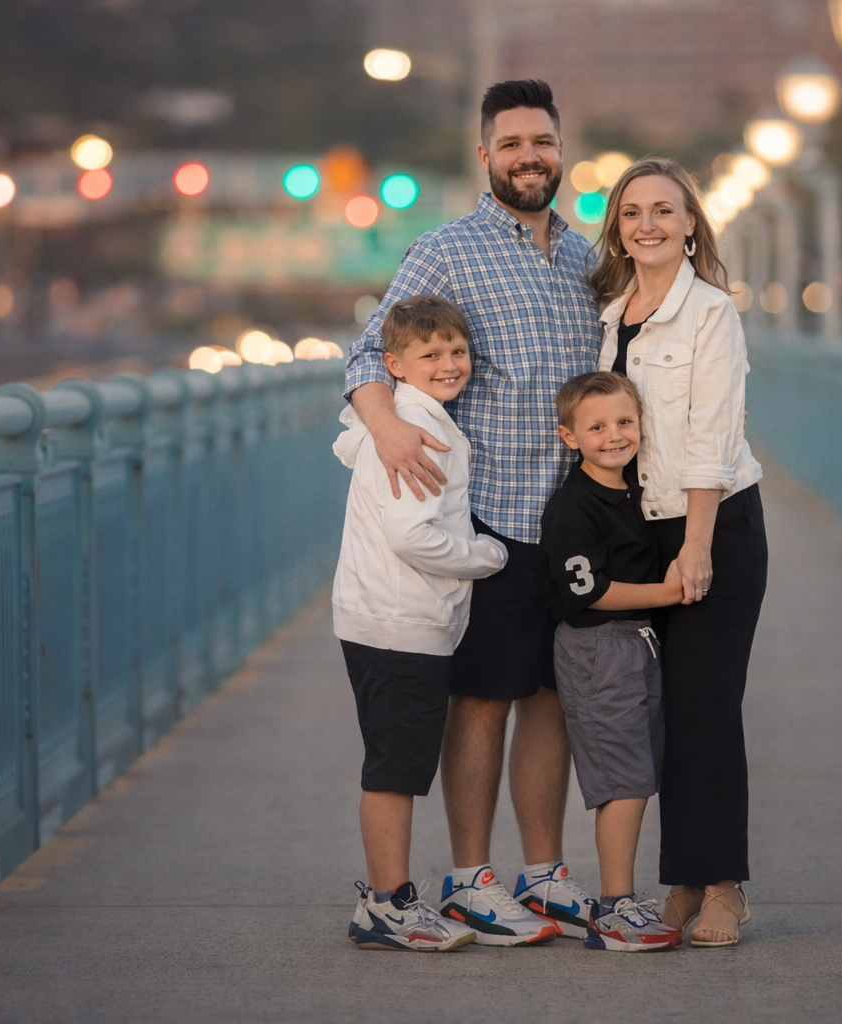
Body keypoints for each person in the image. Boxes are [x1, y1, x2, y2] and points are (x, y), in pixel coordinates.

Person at [343, 79, 599, 945]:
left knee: (553, 698)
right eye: (513, 143)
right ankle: (468, 878)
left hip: (572, 519)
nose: (531, 156)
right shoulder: (445, 250)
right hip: (486, 515)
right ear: (485, 155)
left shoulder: (585, 258)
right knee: (484, 699)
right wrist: (386, 430)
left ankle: (543, 872)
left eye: (544, 141)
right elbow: (366, 353)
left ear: (560, 152)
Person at [591, 159, 767, 948]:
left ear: (693, 223)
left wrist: (696, 547)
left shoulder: (711, 313)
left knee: (707, 705)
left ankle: (724, 884)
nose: (648, 224)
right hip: (638, 529)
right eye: (632, 213)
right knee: (663, 712)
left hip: (713, 523)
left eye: (665, 210)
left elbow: (712, 437)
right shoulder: (608, 311)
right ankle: (685, 878)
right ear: (618, 228)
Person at [334, 296, 509, 952]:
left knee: (396, 759)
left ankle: (391, 898)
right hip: (397, 620)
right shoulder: (417, 429)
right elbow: (413, 535)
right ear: (393, 364)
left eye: (457, 351)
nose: (448, 364)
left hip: (385, 615)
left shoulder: (405, 418)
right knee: (395, 765)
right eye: (429, 354)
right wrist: (484, 558)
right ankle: (386, 904)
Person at [538, 371, 686, 952]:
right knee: (623, 777)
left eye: (625, 421)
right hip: (599, 647)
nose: (614, 435)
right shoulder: (574, 506)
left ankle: (619, 900)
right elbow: (588, 591)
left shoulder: (634, 489)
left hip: (633, 643)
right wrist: (669, 593)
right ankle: (613, 911)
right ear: (568, 437)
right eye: (596, 427)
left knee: (637, 774)